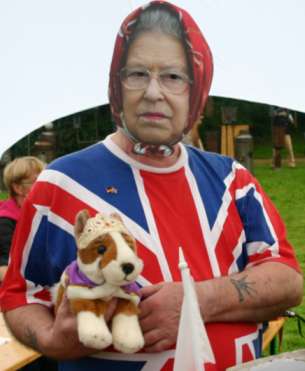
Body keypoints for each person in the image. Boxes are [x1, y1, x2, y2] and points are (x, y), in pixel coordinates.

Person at [0, 2, 303, 370]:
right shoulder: (59, 185)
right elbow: (20, 296)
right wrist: (51, 339)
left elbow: (287, 280)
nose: (154, 92)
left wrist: (199, 299)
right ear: (116, 83)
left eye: (173, 77)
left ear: (196, 91)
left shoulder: (232, 181)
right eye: (138, 74)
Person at [0, 156, 45, 282]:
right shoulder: (5, 222)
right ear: (18, 188)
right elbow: (4, 268)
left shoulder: (43, 211)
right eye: (37, 181)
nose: (45, 185)